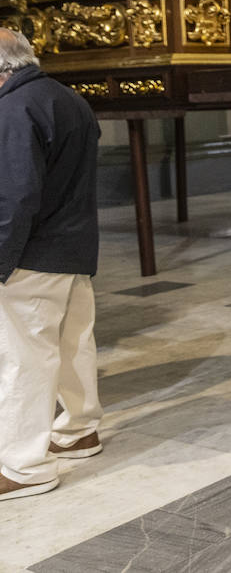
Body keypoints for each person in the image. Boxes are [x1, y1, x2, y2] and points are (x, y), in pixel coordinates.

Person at [0, 28, 103, 501]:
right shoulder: (68, 98)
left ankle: (23, 466)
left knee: (24, 356)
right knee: (72, 341)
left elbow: (15, 195)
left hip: (31, 254)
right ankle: (79, 428)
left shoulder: (14, 108)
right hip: (73, 247)